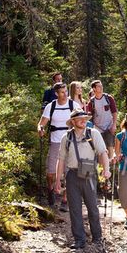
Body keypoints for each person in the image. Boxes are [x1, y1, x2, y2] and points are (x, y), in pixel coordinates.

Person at [55, 109, 111, 252]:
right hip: (72, 175)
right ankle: (79, 240)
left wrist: (106, 169)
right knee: (74, 209)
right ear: (72, 122)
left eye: (85, 118)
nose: (83, 120)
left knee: (92, 207)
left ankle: (97, 238)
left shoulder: (93, 134)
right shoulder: (66, 138)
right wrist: (58, 180)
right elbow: (60, 160)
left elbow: (103, 153)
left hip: (89, 174)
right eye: (79, 118)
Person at [38, 82, 74, 210]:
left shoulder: (72, 105)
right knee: (50, 172)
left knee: (69, 172)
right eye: (62, 92)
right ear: (56, 93)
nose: (65, 94)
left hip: (70, 142)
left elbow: (82, 119)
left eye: (66, 92)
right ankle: (50, 190)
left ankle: (65, 200)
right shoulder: (51, 106)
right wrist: (40, 129)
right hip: (55, 141)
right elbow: (41, 123)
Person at [86, 80, 117, 158]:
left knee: (110, 146)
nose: (101, 87)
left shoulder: (108, 98)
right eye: (99, 86)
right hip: (98, 128)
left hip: (109, 126)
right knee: (100, 148)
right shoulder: (92, 102)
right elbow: (90, 116)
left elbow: (114, 112)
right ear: (94, 89)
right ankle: (103, 167)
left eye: (101, 86)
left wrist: (114, 125)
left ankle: (110, 166)